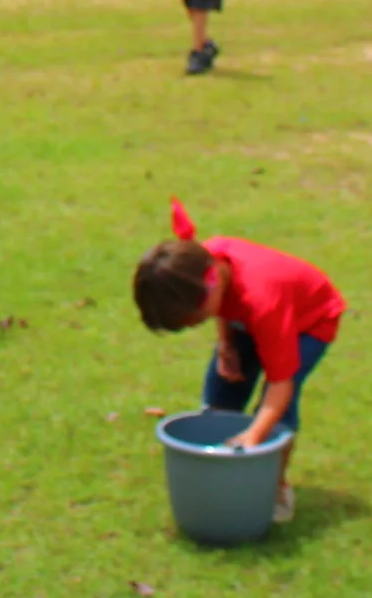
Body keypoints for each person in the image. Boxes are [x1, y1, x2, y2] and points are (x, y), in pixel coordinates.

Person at [133, 202, 343, 527]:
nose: (196, 325)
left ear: (210, 286)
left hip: (309, 321)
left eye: (196, 320)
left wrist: (255, 435)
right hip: (250, 317)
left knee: (274, 415)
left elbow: (281, 383)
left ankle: (274, 488)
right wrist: (226, 343)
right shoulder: (203, 267)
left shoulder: (263, 301)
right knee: (224, 389)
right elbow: (223, 306)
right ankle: (218, 468)